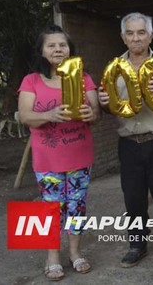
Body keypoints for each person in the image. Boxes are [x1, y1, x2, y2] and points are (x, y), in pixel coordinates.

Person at [98, 12, 153, 268]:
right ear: (123, 37)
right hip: (129, 142)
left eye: (141, 32)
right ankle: (137, 244)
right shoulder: (113, 67)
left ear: (150, 36)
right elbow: (109, 104)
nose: (136, 38)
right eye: (130, 33)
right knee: (133, 198)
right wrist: (103, 104)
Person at [18, 25, 100, 281]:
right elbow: (24, 116)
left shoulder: (83, 78)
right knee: (50, 208)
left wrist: (92, 113)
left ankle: (75, 253)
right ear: (42, 50)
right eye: (51, 45)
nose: (58, 49)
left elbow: (96, 114)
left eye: (62, 45)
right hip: (47, 159)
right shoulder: (31, 80)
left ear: (69, 49)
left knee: (77, 207)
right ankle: (52, 257)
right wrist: (49, 115)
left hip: (79, 157)